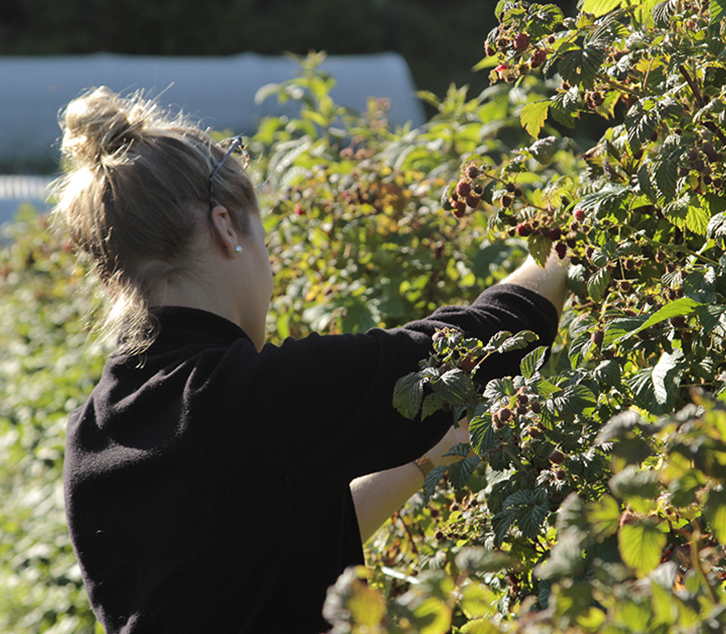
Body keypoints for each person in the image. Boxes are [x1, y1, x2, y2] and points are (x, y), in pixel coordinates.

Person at [54, 86, 567, 634]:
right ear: (227, 228)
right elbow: (475, 344)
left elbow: (270, 545)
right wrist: (575, 234)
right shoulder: (249, 395)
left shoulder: (93, 434)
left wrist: (423, 459)